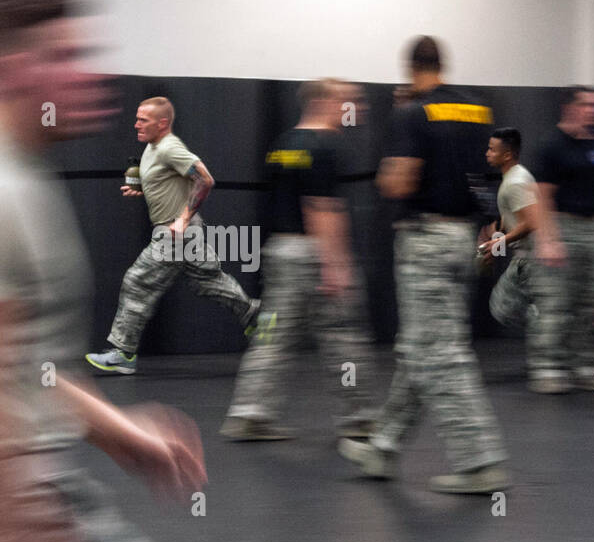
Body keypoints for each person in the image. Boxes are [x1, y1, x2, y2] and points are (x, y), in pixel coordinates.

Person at [0, 0, 205, 542]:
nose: (89, 76)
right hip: (27, 502)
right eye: (66, 58)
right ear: (14, 68)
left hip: (34, 490)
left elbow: (22, 371)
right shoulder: (7, 195)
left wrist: (121, 433)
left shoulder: (25, 177)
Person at [337, 36, 510, 494]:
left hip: (426, 242)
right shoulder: (479, 112)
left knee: (441, 354)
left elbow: (399, 182)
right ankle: (383, 448)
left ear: (411, 68)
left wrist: (386, 158)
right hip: (466, 237)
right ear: (442, 65)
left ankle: (480, 461)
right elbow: (491, 176)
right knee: (421, 347)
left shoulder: (410, 114)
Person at [220, 78, 377, 441]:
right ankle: (360, 417)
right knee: (343, 335)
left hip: (281, 251)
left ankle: (249, 413)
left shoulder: (283, 145)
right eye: (347, 102)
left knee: (272, 335)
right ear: (323, 102)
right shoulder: (326, 145)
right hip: (313, 252)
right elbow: (321, 208)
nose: (355, 110)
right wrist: (336, 266)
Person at [85, 95, 261, 374]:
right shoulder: (153, 148)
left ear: (162, 123)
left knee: (137, 282)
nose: (136, 124)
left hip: (175, 233)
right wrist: (143, 189)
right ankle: (256, 316)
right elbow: (170, 182)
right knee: (209, 282)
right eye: (137, 118)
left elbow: (205, 179)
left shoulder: (170, 147)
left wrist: (182, 219)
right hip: (185, 234)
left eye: (143, 120)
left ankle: (123, 353)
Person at [530, 86, 594, 393]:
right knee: (556, 301)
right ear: (571, 107)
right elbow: (541, 197)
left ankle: (579, 363)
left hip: (593, 228)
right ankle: (547, 365)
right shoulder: (551, 145)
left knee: (589, 301)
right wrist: (547, 240)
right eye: (591, 105)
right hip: (561, 225)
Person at [483, 127, 543, 348]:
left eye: (492, 149)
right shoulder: (515, 177)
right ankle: (548, 329)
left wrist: (499, 242)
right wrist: (495, 245)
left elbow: (531, 222)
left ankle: (548, 330)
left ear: (507, 154)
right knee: (507, 307)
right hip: (527, 256)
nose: (487, 153)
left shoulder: (514, 182)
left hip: (530, 259)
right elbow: (513, 218)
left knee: (502, 308)